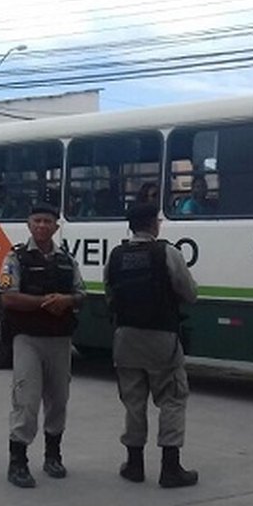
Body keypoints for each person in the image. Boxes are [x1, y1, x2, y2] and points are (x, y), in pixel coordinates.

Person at [104, 203, 199, 488]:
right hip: (161, 338)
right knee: (172, 399)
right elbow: (190, 293)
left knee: (134, 402)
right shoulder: (167, 253)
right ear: (154, 224)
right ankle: (170, 468)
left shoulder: (116, 256)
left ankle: (134, 465)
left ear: (131, 226)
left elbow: (110, 295)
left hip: (126, 338)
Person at [0, 202, 85, 488]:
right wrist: (46, 302)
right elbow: (8, 297)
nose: (42, 226)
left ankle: (53, 456)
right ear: (29, 224)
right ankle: (18, 463)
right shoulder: (15, 258)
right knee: (27, 400)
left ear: (56, 226)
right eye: (37, 221)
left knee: (59, 400)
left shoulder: (67, 260)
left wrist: (68, 300)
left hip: (60, 340)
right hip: (28, 339)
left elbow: (81, 294)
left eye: (48, 221)